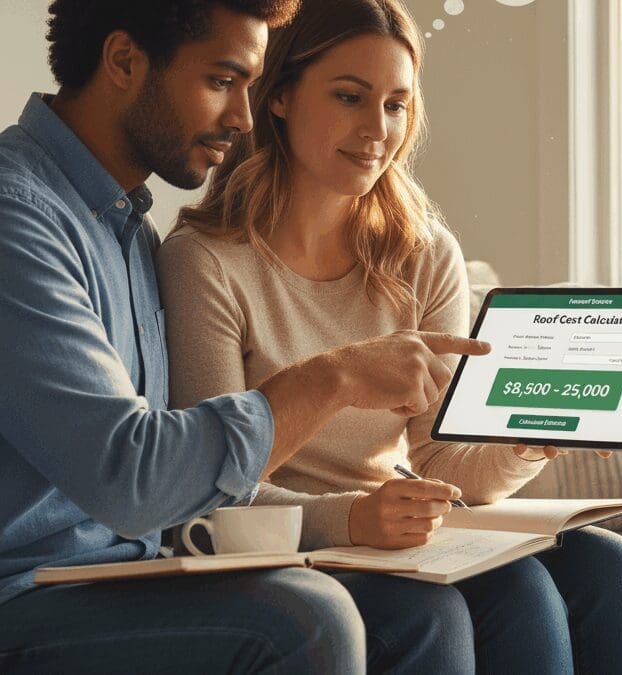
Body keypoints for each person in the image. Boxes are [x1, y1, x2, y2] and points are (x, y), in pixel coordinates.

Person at [157, 0, 622, 672]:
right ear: (278, 97)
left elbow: (441, 464)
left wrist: (524, 445)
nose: (377, 129)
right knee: (512, 592)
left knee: (610, 567)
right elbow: (212, 487)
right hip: (290, 544)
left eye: (396, 104)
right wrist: (354, 518)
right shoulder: (206, 262)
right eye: (349, 97)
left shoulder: (422, 255)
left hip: (393, 526)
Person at [0, 1, 491, 672]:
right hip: (26, 595)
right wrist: (332, 377)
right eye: (223, 81)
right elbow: (131, 476)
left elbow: (171, 483)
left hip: (128, 575)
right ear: (123, 61)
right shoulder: (18, 219)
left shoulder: (123, 227)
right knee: (308, 618)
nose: (244, 116)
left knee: (551, 575)